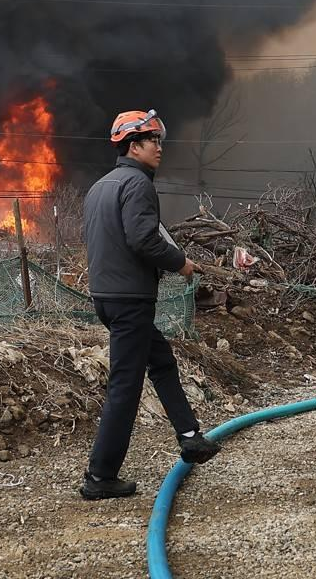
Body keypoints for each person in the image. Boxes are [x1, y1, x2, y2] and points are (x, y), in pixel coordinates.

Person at [80, 108, 219, 500]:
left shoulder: (100, 186)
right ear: (132, 145)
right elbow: (143, 239)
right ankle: (100, 476)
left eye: (159, 139)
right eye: (152, 140)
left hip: (107, 298)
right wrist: (181, 263)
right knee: (125, 385)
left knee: (160, 360)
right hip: (129, 300)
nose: (160, 147)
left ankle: (190, 436)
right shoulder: (137, 185)